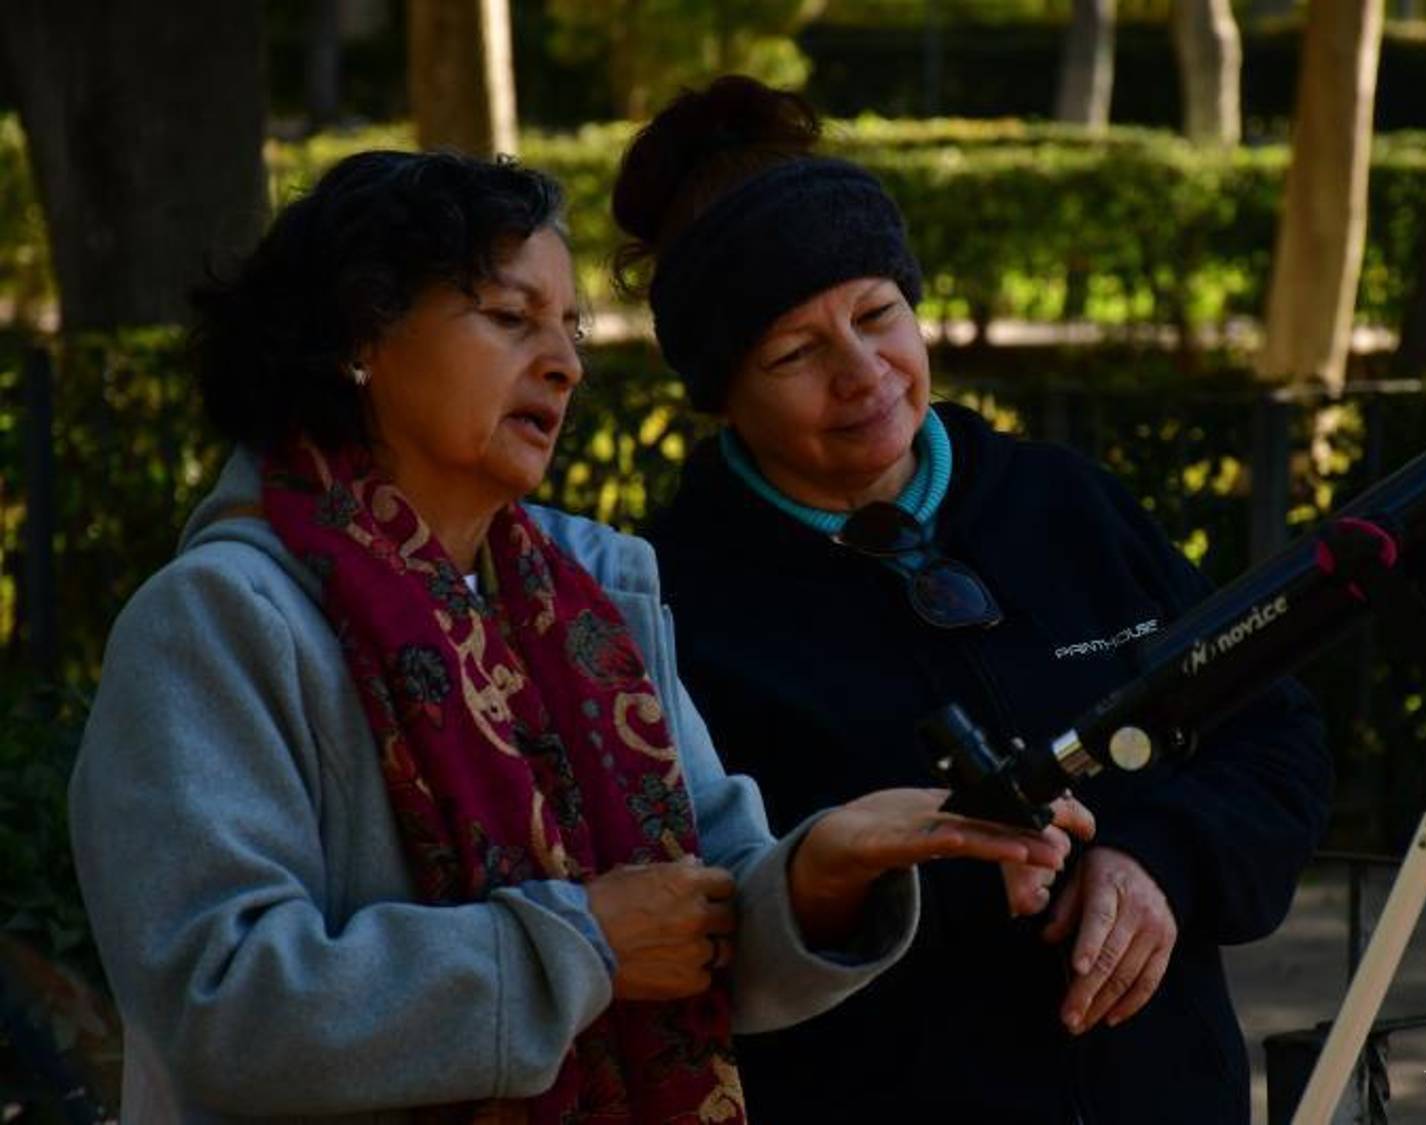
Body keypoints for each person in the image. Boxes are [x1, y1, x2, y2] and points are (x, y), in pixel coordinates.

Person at [67, 149, 1084, 1124]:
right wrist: (580, 947)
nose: (560, 366)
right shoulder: (217, 620)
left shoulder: (595, 591)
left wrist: (821, 871)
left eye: (570, 331)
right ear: (358, 340)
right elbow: (219, 1002)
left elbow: (703, 916)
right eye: (510, 319)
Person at [612, 77, 1334, 1123]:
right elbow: (697, 921)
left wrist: (1157, 862)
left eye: (876, 315)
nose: (862, 375)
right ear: (721, 391)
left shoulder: (1065, 505)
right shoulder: (672, 600)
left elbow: (1271, 733)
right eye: (795, 352)